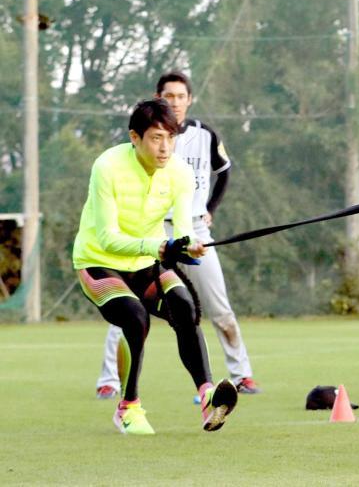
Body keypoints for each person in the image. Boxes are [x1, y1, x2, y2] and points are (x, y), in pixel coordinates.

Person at [74, 99, 238, 435]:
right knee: (135, 317)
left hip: (145, 262)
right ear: (135, 137)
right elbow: (107, 238)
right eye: (156, 138)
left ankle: (207, 396)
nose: (165, 148)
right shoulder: (107, 167)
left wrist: (190, 244)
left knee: (184, 306)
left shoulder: (180, 172)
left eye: (171, 138)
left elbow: (182, 229)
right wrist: (160, 246)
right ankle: (128, 407)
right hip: (98, 263)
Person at [95, 71, 261, 400]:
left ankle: (241, 375)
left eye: (180, 96)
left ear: (189, 100)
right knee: (128, 308)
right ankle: (110, 379)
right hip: (150, 232)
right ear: (158, 99)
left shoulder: (205, 135)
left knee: (218, 306)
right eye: (168, 96)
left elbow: (224, 172)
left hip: (192, 231)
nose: (174, 102)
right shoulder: (141, 139)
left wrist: (210, 208)